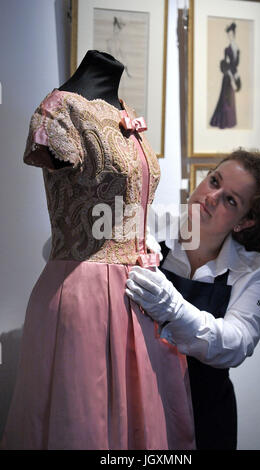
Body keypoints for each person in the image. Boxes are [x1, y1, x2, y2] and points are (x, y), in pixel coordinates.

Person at [1, 51, 195, 450]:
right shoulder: (59, 112)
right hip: (84, 292)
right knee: (84, 421)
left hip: (139, 295)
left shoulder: (126, 112)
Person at [126, 149, 260, 450]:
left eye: (230, 200)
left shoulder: (255, 272)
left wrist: (173, 309)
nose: (212, 196)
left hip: (206, 420)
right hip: (140, 406)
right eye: (214, 181)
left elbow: (237, 343)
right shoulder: (150, 226)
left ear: (244, 222)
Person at [210, 22, 241, 129]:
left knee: (231, 99)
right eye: (229, 35)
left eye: (231, 35)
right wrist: (230, 75)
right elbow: (226, 64)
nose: (230, 37)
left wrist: (236, 76)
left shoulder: (237, 49)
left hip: (233, 75)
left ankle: (230, 121)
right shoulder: (226, 50)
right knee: (225, 99)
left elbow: (236, 65)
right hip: (227, 77)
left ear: (234, 34)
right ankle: (223, 122)